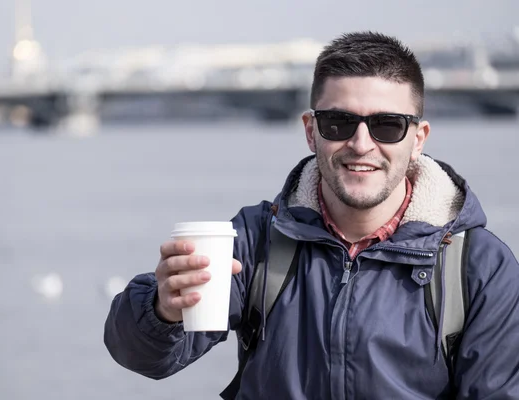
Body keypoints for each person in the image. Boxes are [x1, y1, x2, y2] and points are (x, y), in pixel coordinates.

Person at [103, 31, 519, 399]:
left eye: (387, 125)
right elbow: (145, 358)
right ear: (309, 130)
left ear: (417, 139)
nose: (361, 144)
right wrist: (163, 310)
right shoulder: (255, 239)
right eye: (338, 122)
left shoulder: (479, 268)